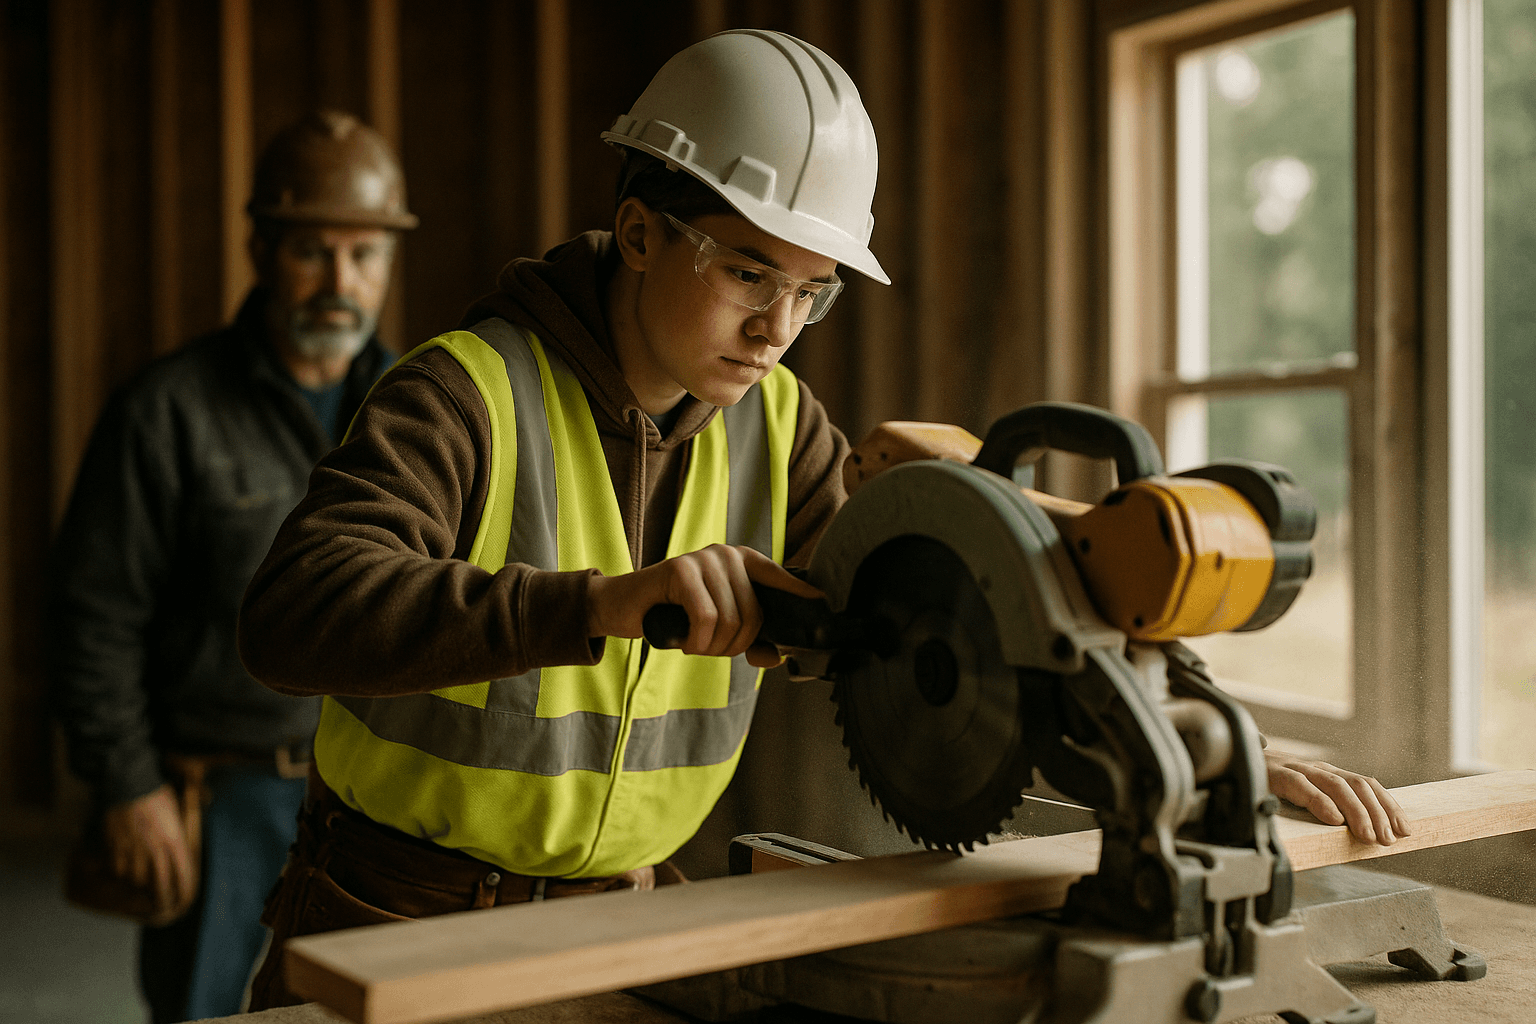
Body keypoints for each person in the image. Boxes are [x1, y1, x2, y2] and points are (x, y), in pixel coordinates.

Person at [235, 31, 1408, 1010]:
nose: (778, 327)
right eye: (749, 273)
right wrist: (595, 604)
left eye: (811, 291)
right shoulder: (464, 391)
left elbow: (954, 623)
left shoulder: (780, 423)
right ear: (640, 232)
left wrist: (1209, 736)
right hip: (392, 918)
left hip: (629, 921)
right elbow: (292, 614)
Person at [47, 110, 415, 1023]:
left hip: (379, 794)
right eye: (311, 252)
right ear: (259, 245)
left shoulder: (419, 409)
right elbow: (92, 616)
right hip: (220, 800)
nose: (341, 282)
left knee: (367, 1011)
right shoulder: (166, 412)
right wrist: (130, 787)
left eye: (364, 254)